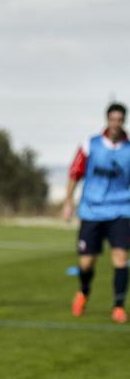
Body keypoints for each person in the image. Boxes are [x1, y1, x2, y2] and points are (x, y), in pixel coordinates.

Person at [62, 102, 130, 324]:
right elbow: (74, 174)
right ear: (107, 120)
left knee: (121, 258)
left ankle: (118, 306)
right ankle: (83, 292)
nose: (116, 123)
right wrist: (68, 202)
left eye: (120, 120)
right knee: (86, 263)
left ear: (124, 121)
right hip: (92, 211)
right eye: (113, 119)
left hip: (121, 210)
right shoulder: (90, 145)